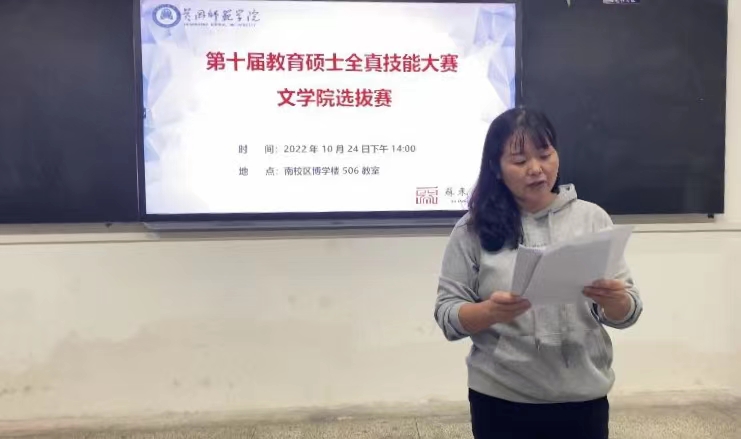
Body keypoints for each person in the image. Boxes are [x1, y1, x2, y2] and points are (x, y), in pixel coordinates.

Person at [434, 107, 643, 439]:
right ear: (496, 168)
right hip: (501, 400)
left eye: (545, 155)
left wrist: (616, 301)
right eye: (519, 161)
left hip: (582, 399)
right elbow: (447, 315)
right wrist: (490, 312)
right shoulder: (472, 230)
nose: (536, 169)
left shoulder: (592, 219)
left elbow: (628, 312)